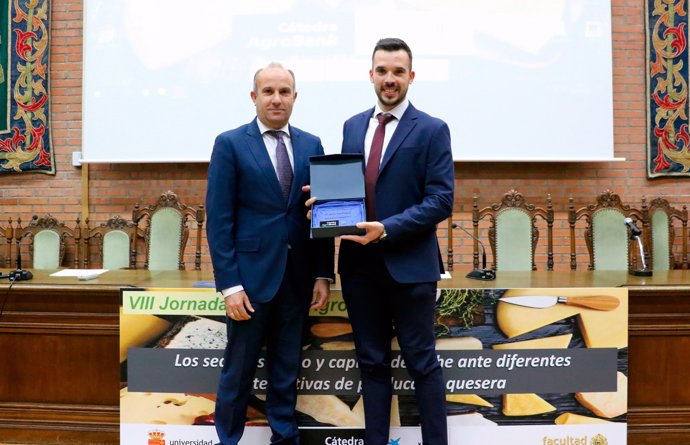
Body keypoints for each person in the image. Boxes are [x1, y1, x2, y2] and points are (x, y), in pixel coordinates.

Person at [206, 62, 335, 445]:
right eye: (268, 92)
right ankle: (228, 439)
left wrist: (323, 273)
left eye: (284, 92)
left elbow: (323, 217)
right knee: (238, 372)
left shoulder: (312, 144)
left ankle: (284, 439)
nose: (276, 99)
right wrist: (230, 285)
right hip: (249, 282)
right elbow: (219, 220)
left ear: (295, 97)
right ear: (254, 97)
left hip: (297, 280)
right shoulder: (230, 143)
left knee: (286, 370)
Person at [338, 38, 454, 445]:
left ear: (411, 77)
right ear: (371, 74)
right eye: (382, 71)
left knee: (422, 364)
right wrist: (325, 202)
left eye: (398, 72)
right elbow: (347, 190)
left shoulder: (432, 129)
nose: (390, 79)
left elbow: (441, 200)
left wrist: (386, 228)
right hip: (358, 269)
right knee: (371, 364)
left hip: (411, 267)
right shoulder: (352, 125)